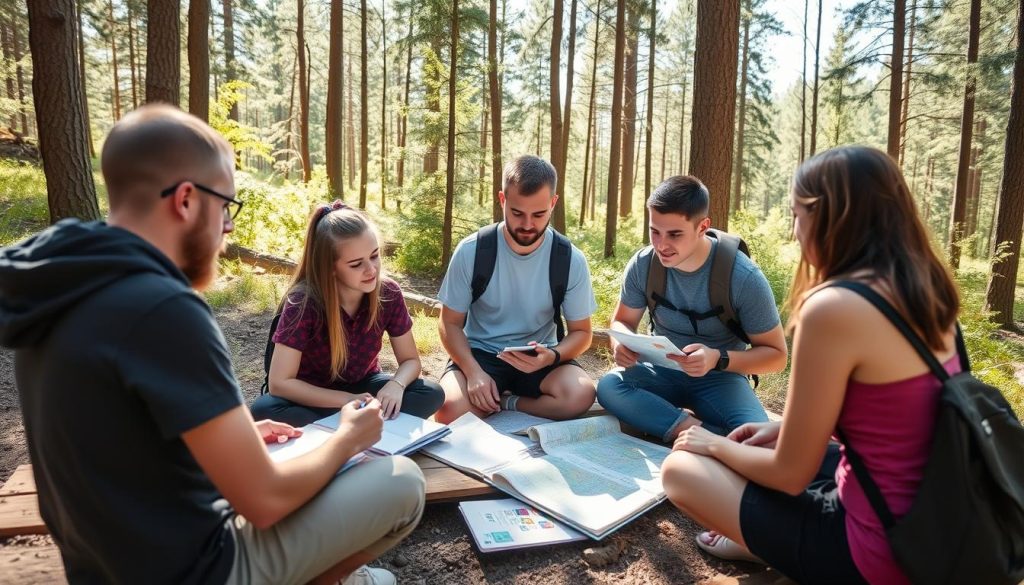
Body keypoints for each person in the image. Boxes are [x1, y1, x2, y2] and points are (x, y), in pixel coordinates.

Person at [0, 104, 423, 585]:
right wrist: (348, 439)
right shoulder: (163, 309)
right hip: (198, 571)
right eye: (225, 208)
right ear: (185, 199)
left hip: (101, 568)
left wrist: (230, 437)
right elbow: (264, 502)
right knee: (403, 483)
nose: (228, 229)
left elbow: (114, 441)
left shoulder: (58, 288)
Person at [663, 146, 962, 585]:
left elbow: (789, 475)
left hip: (875, 556)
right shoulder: (928, 290)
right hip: (938, 531)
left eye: (797, 215)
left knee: (681, 470)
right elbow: (896, 419)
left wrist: (714, 445)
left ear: (830, 219)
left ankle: (769, 547)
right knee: (759, 444)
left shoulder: (834, 308)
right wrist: (781, 429)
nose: (794, 229)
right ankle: (768, 539)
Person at [596, 175, 787, 441]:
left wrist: (717, 358)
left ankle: (704, 435)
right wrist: (621, 346)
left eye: (674, 234)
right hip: (660, 371)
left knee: (762, 438)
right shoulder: (643, 264)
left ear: (702, 226)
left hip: (720, 378)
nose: (661, 245)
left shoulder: (743, 277)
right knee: (609, 386)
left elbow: (777, 356)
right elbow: (622, 322)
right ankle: (701, 434)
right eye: (655, 231)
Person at [250, 201, 444, 427]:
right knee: (265, 410)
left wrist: (396, 385)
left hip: (364, 386)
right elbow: (280, 384)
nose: (371, 270)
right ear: (330, 267)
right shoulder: (303, 303)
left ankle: (341, 429)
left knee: (431, 393)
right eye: (355, 264)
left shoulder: (388, 293)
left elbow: (410, 361)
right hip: (312, 396)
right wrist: (347, 401)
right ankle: (361, 428)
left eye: (374, 256)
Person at [434, 155, 598, 423]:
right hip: (481, 354)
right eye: (517, 213)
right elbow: (449, 324)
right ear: (502, 200)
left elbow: (582, 333)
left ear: (553, 203)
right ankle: (489, 393)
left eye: (539, 214)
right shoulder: (472, 251)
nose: (527, 225)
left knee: (580, 395)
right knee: (449, 410)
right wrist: (473, 373)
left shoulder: (570, 259)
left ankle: (509, 402)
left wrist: (552, 356)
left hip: (539, 355)